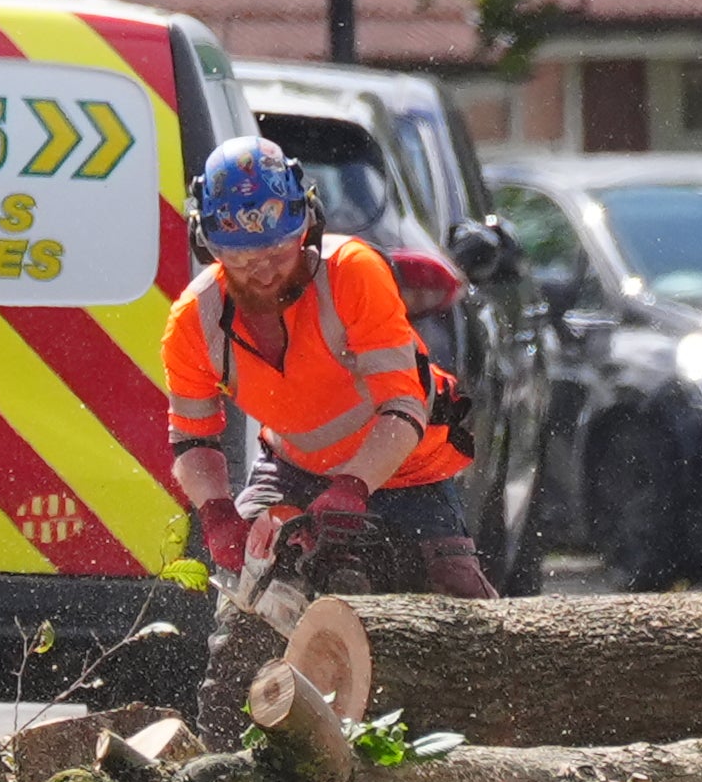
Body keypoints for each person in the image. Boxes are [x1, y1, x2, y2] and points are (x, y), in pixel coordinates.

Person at [159, 135, 499, 598]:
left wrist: (353, 485)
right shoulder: (193, 322)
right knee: (247, 603)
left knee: (455, 603)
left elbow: (403, 405)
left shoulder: (352, 272)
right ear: (209, 249)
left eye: (279, 253)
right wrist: (218, 515)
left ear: (307, 228)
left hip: (409, 468)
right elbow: (193, 439)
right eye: (241, 260)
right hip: (292, 467)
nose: (263, 273)